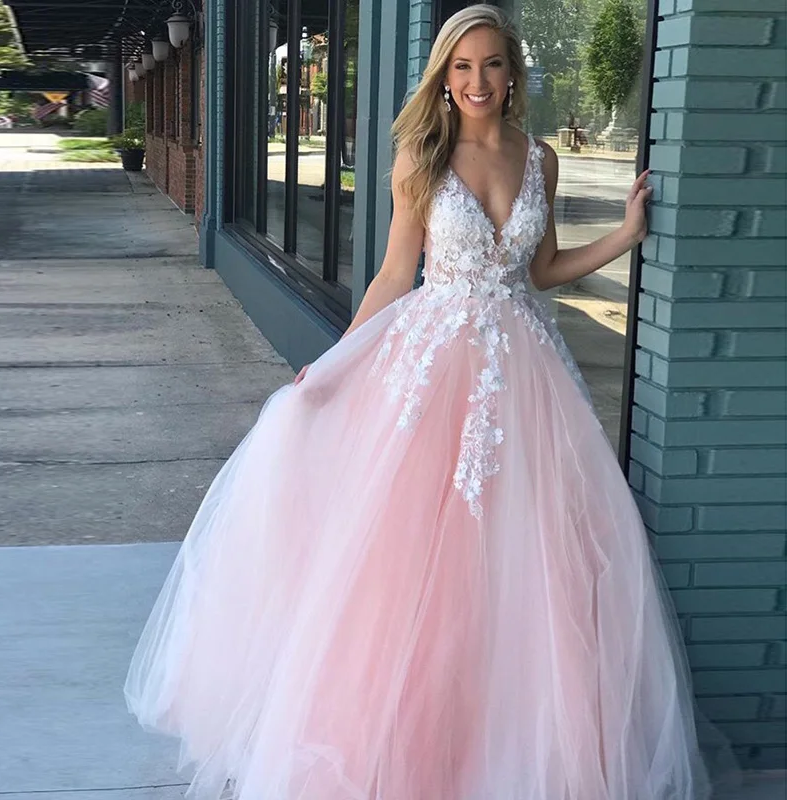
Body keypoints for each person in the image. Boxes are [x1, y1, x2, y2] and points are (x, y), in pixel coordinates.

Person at [125, 6, 714, 799]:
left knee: (531, 566)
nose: (478, 82)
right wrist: (330, 370)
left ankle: (511, 749)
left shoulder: (539, 158)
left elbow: (539, 270)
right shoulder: (421, 157)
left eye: (494, 65)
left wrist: (625, 234)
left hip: (529, 383)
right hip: (432, 372)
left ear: (515, 73)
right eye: (463, 66)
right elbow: (394, 276)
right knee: (408, 565)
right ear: (444, 75)